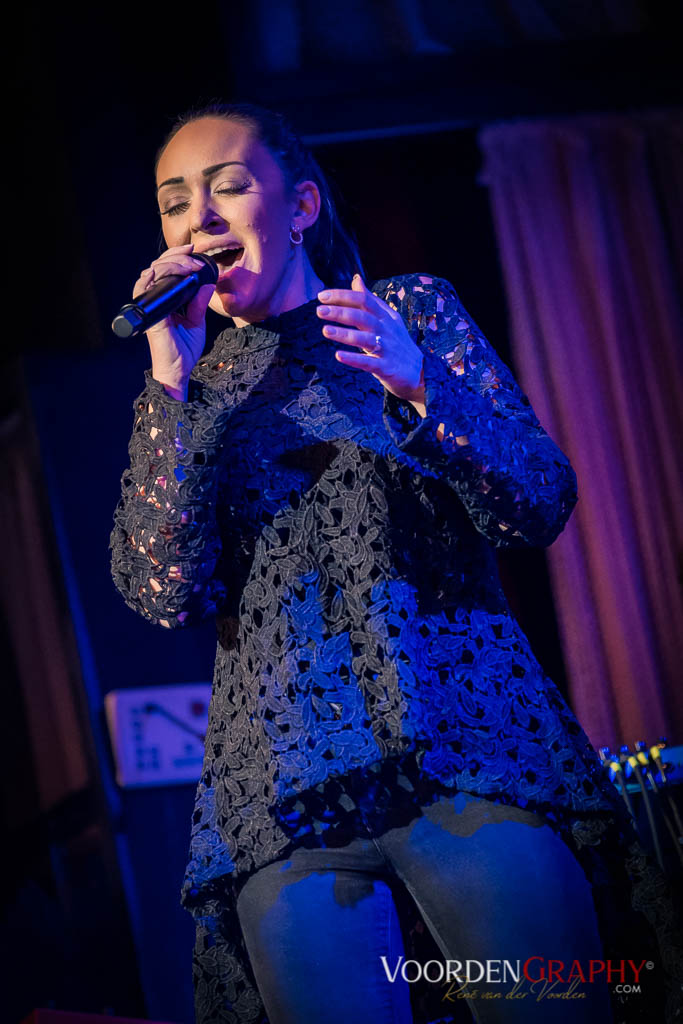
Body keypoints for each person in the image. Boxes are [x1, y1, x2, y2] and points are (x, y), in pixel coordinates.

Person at [110, 102, 679, 1024]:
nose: (198, 218)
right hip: (284, 794)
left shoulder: (405, 315)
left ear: (300, 206)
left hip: (463, 749)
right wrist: (170, 376)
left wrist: (419, 385)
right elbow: (159, 589)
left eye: (228, 187)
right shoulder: (193, 396)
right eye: (175, 202)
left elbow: (538, 500)